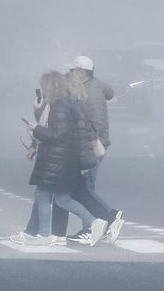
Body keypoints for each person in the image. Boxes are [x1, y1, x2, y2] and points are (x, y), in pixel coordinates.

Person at [10, 70, 106, 247]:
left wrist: (36, 129)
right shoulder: (67, 104)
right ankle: (94, 222)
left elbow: (59, 135)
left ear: (49, 86)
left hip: (55, 160)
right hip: (64, 160)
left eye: (43, 85)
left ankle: (44, 234)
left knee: (43, 195)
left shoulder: (58, 106)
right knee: (62, 198)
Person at [68, 56, 125, 242]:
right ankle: (108, 217)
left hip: (91, 145)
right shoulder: (98, 85)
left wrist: (89, 148)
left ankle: (98, 223)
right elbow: (110, 92)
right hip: (96, 144)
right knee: (85, 188)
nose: (69, 75)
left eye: (72, 71)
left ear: (80, 72)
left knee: (84, 189)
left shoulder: (89, 93)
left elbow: (95, 124)